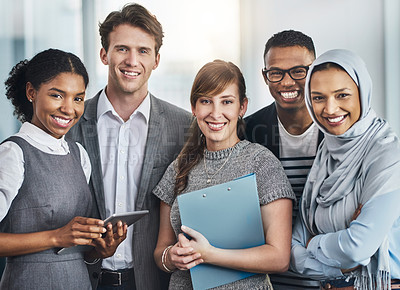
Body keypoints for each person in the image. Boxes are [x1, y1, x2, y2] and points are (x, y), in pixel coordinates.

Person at [67, 3, 192, 290]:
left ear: (156, 60)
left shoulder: (183, 127)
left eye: (143, 51)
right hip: (82, 277)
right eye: (122, 48)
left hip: (151, 279)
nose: (131, 60)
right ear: (104, 54)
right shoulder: (70, 123)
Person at [153, 60, 296, 289]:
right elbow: (161, 251)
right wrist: (171, 257)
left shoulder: (262, 163)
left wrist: (209, 255)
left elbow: (279, 258)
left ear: (242, 107)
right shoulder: (178, 168)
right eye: (206, 101)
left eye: (226, 101)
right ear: (194, 108)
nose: (215, 113)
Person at [0, 48, 126, 289]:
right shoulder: (13, 154)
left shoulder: (79, 154)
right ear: (31, 92)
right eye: (57, 96)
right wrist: (56, 236)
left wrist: (100, 249)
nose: (70, 109)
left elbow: (81, 250)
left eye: (78, 98)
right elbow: (62, 237)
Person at [290, 49, 400, 290]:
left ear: (362, 93)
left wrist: (313, 244)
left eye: (342, 95)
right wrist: (341, 262)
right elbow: (292, 253)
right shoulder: (326, 152)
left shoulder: (387, 153)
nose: (330, 109)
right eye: (318, 98)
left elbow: (357, 248)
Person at [244, 29, 323, 289]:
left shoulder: (340, 129)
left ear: (315, 70)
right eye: (276, 73)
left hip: (329, 277)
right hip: (267, 280)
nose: (287, 82)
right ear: (265, 76)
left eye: (298, 71)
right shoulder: (247, 131)